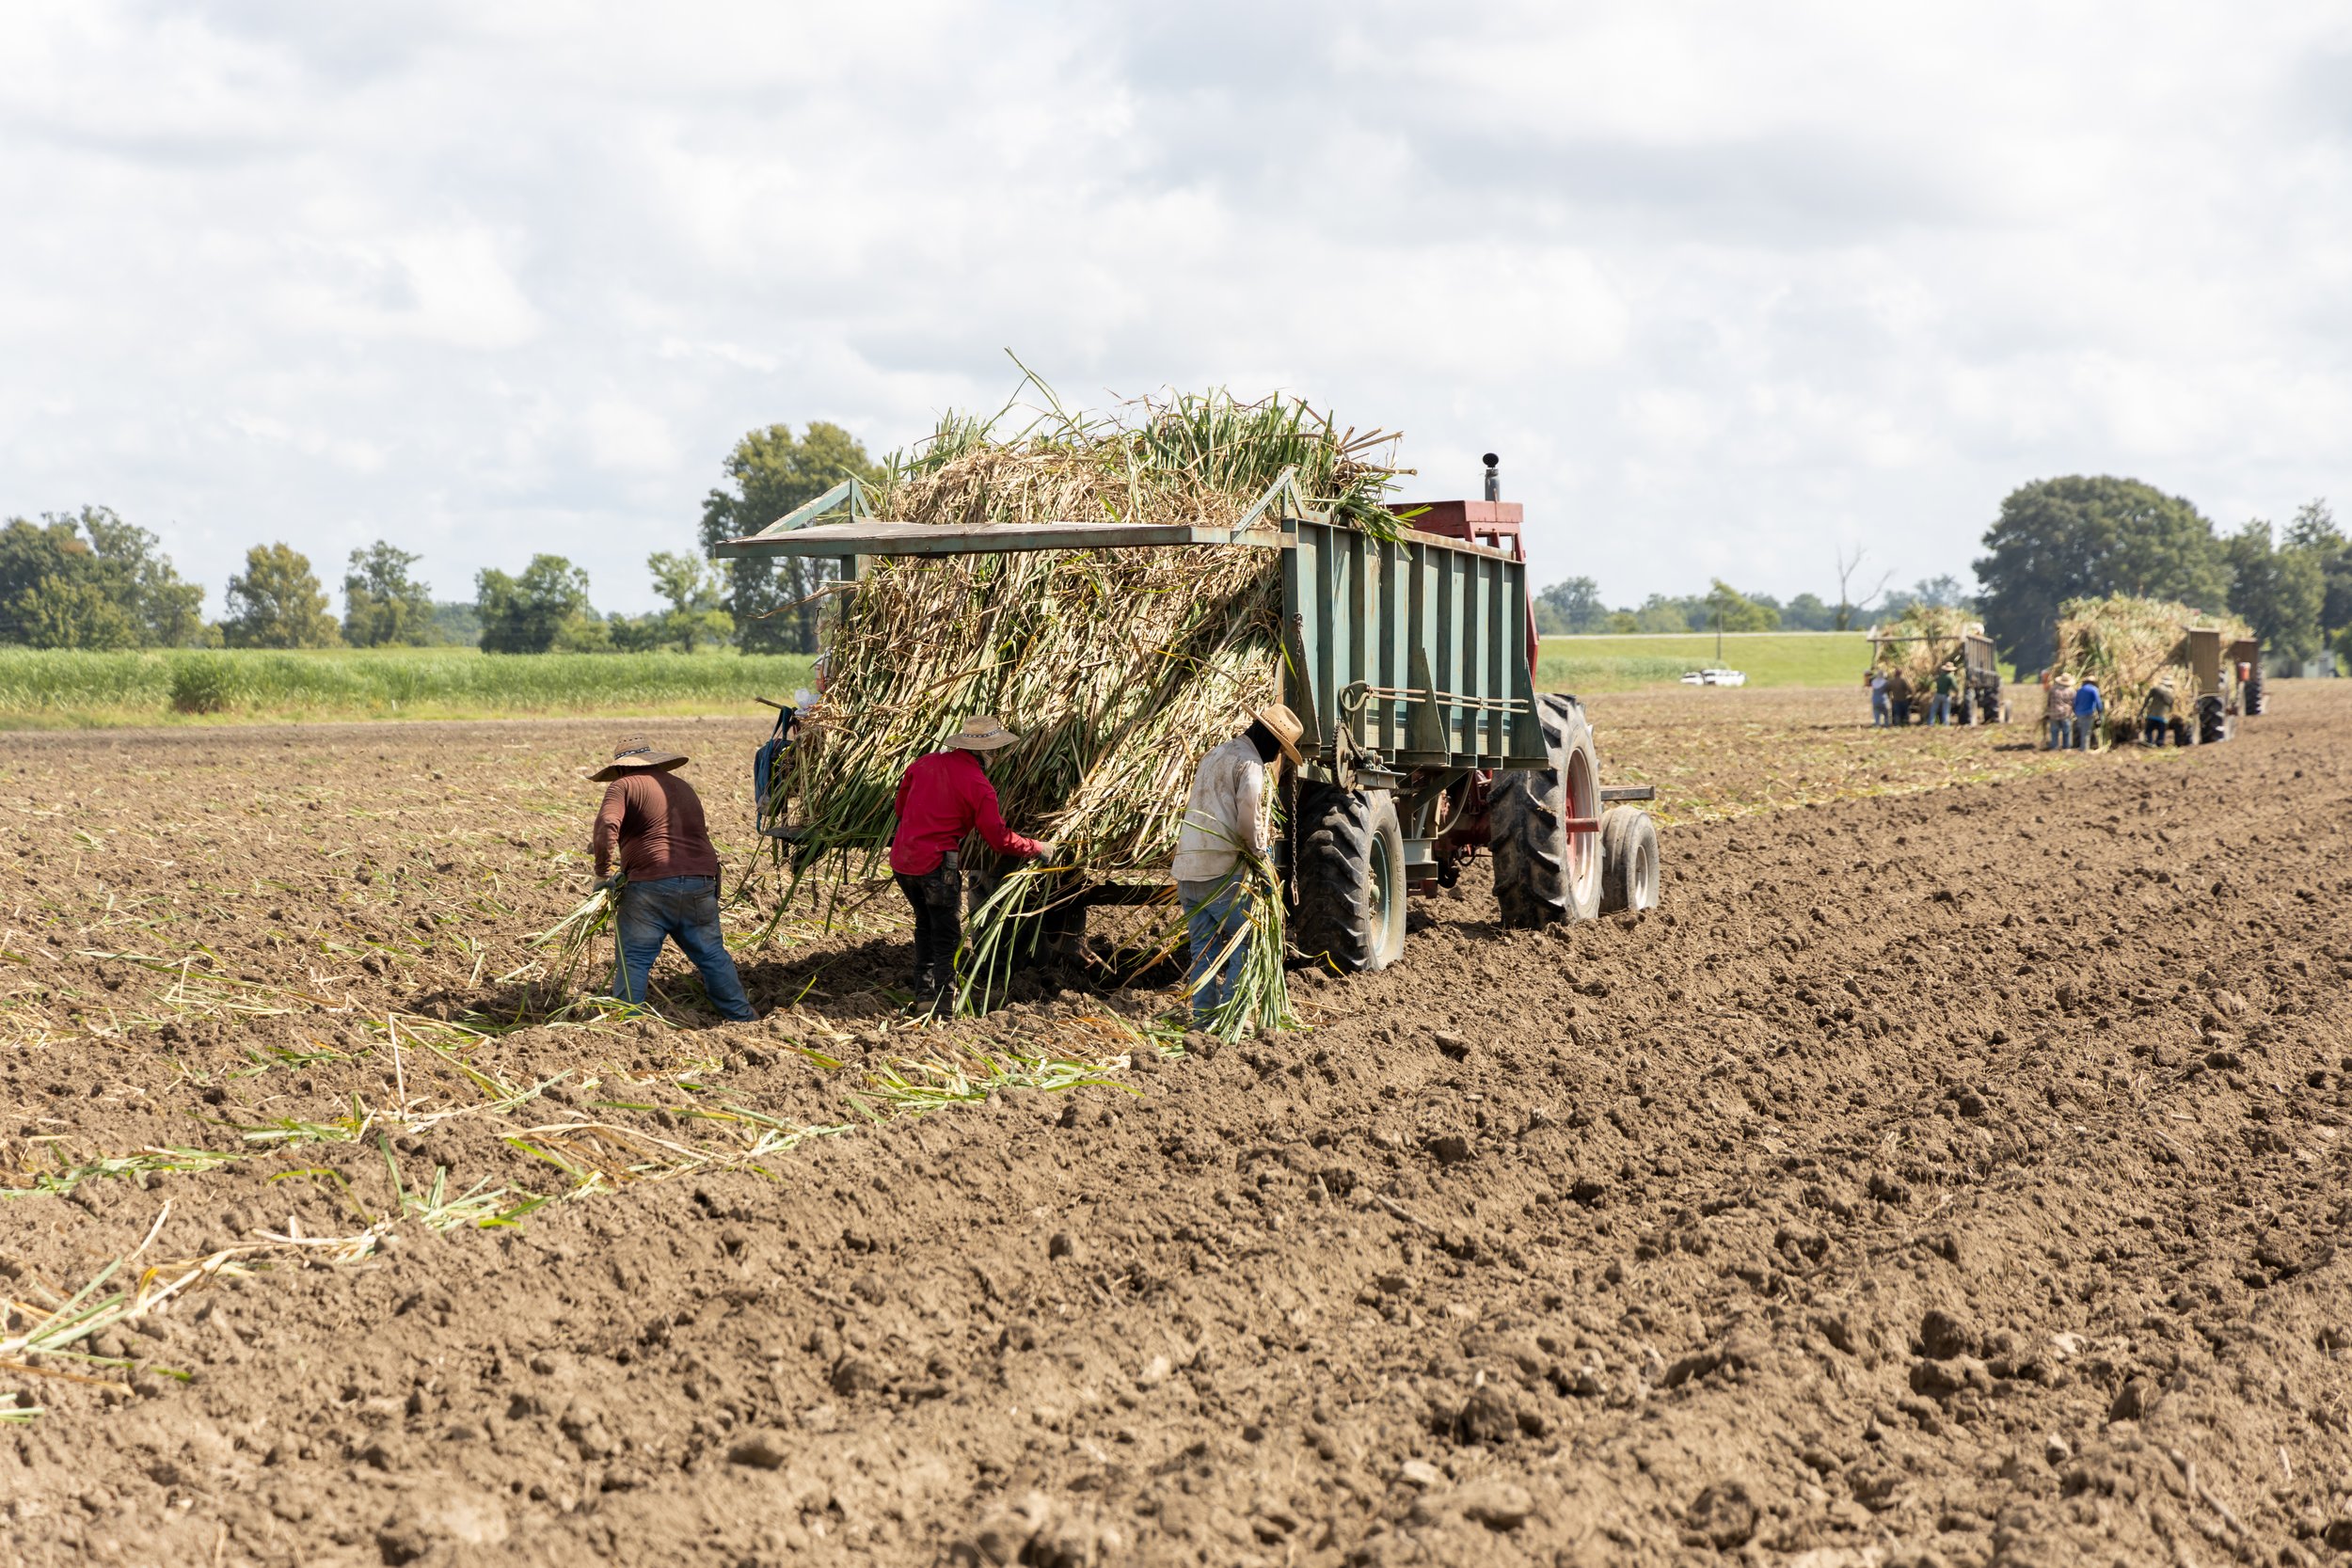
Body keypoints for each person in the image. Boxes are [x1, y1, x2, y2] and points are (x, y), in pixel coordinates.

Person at [588, 736, 755, 1022]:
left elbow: (607, 825)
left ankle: (627, 1023)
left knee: (634, 959)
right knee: (713, 955)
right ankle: (742, 1017)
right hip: (700, 882)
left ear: (620, 769)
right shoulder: (683, 787)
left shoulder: (623, 785)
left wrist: (603, 873)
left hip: (650, 886)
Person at [891, 715, 1051, 1012]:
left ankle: (925, 994)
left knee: (925, 924)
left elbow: (901, 807)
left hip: (903, 862)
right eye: (994, 751)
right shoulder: (979, 786)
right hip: (935, 867)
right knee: (947, 935)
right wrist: (1036, 847)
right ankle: (944, 1005)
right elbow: (999, 839)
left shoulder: (923, 764)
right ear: (986, 752)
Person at [1172, 705, 1304, 1025]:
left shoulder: (1214, 755)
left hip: (1187, 869)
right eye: (1279, 750)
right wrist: (1260, 856)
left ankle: (1204, 1018)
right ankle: (1232, 1017)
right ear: (1270, 741)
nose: (1277, 759)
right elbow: (1248, 817)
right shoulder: (1251, 765)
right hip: (1220, 871)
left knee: (1203, 949)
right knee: (1247, 940)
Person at [2143, 680, 2182, 746]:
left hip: (2152, 716)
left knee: (2148, 731)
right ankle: (2159, 743)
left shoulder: (2155, 690)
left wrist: (2143, 709)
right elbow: (2171, 707)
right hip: (2163, 718)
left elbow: (2147, 700)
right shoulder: (2171, 694)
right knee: (2161, 733)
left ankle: (2150, 742)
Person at [2072, 675, 2105, 751]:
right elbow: (2098, 702)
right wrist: (2100, 713)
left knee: (2082, 731)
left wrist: (2076, 712)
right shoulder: (2094, 689)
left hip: (2079, 714)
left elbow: (2075, 703)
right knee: (2086, 732)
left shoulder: (2079, 690)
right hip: (2088, 713)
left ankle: (2081, 747)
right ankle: (2084, 749)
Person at [2045, 672, 2076, 751]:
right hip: (2065, 714)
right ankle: (2066, 747)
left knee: (2054, 731)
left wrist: (2049, 710)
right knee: (2066, 731)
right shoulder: (2071, 691)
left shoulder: (2053, 689)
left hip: (2053, 713)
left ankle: (2054, 747)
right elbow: (2074, 702)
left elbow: (2048, 701)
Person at [1931, 660, 1959, 725]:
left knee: (1933, 710)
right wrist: (1957, 692)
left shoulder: (1941, 676)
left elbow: (1937, 683)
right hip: (1945, 696)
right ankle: (1946, 725)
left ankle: (1930, 723)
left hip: (1937, 694)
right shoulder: (1951, 677)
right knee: (1945, 711)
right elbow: (1955, 687)